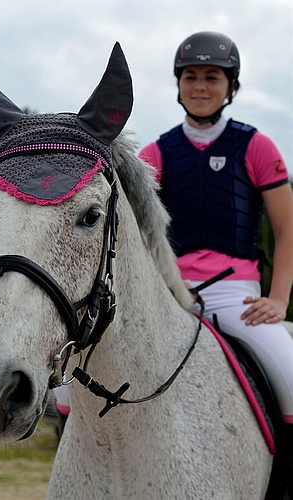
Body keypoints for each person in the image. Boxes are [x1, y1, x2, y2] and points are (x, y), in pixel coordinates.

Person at [139, 32, 293, 446]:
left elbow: (287, 229)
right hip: (171, 295)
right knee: (67, 388)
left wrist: (278, 300)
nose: (201, 87)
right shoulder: (154, 155)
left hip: (237, 299)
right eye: (190, 76)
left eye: (212, 77)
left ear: (231, 86)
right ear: (178, 84)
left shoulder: (256, 145)